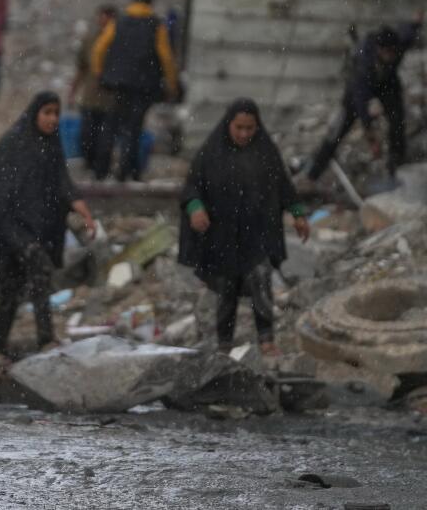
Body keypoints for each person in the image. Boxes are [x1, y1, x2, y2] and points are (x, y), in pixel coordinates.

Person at [0, 92, 97, 356]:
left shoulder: (52, 147)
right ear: (35, 114)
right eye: (47, 113)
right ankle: (45, 338)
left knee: (12, 284)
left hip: (35, 226)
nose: (52, 119)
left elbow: (63, 183)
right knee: (41, 268)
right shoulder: (15, 139)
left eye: (56, 113)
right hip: (8, 221)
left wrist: (85, 214)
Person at [178, 99, 310, 355]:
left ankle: (266, 339)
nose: (244, 134)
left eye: (250, 128)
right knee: (226, 288)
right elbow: (192, 185)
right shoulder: (211, 152)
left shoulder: (265, 152)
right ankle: (224, 343)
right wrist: (196, 208)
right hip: (223, 234)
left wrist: (297, 213)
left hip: (257, 232)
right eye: (239, 127)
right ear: (229, 124)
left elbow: (283, 185)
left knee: (261, 281)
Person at [306, 19, 422, 181]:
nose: (392, 56)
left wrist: (416, 22)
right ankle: (312, 174)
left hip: (388, 85)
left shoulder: (399, 44)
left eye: (394, 52)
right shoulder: (363, 62)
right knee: (339, 129)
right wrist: (370, 133)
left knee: (397, 121)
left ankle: (397, 162)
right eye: (388, 53)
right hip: (357, 91)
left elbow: (407, 30)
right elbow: (361, 101)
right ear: (379, 50)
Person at [90, 0, 179, 182]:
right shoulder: (156, 25)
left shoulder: (119, 21)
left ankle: (101, 170)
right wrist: (171, 84)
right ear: (151, 1)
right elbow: (166, 57)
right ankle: (125, 172)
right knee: (134, 127)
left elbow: (99, 48)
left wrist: (100, 73)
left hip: (117, 83)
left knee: (110, 125)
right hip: (143, 85)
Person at [67, 4, 118, 168]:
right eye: (101, 16)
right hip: (90, 97)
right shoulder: (91, 40)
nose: (103, 21)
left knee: (105, 139)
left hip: (110, 99)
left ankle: (101, 168)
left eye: (107, 17)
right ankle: (90, 164)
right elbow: (81, 68)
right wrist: (72, 91)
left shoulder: (119, 41)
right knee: (87, 135)